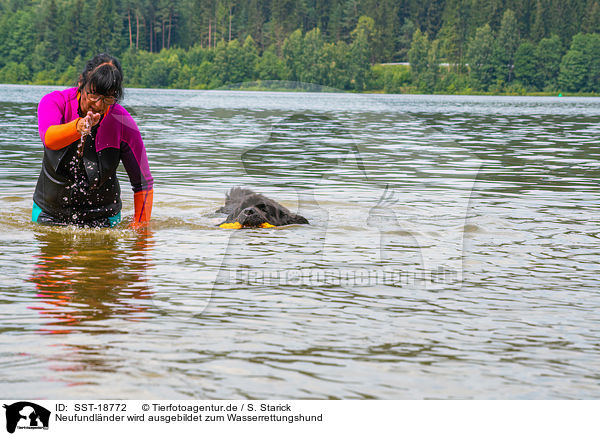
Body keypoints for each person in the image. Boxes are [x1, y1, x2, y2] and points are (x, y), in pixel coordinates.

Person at [32, 53, 153, 228]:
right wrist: (78, 127)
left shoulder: (123, 122)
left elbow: (143, 183)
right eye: (94, 95)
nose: (98, 105)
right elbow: (49, 139)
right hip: (48, 213)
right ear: (81, 83)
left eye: (107, 98)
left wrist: (141, 232)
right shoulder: (55, 102)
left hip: (104, 218)